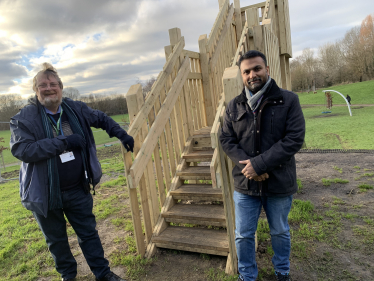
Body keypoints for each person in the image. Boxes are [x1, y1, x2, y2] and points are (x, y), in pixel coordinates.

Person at [10, 63, 134, 281]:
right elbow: (23, 150)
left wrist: (121, 134)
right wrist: (63, 142)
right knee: (56, 239)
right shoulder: (24, 118)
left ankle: (103, 273)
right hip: (44, 193)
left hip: (77, 188)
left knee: (89, 234)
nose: (49, 88)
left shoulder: (75, 109)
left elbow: (101, 118)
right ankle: (68, 275)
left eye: (53, 84)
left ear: (61, 87)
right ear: (35, 90)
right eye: (43, 85)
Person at [220, 50, 305, 281]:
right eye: (246, 71)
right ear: (241, 75)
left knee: (279, 231)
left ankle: (282, 272)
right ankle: (247, 275)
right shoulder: (233, 106)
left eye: (257, 68)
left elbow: (294, 138)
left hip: (278, 181)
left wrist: (260, 164)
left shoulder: (288, 100)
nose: (252, 75)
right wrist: (250, 168)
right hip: (245, 184)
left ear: (267, 69)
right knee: (244, 235)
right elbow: (226, 139)